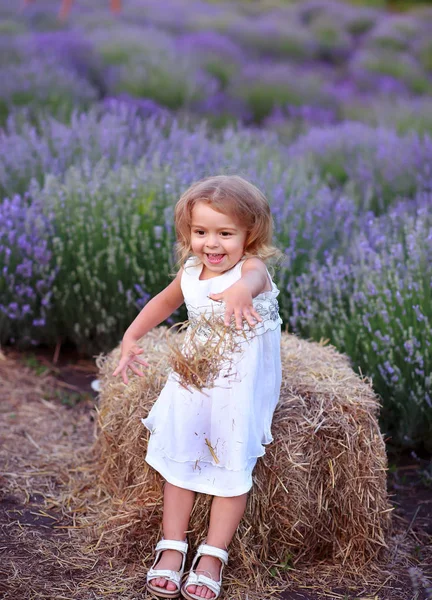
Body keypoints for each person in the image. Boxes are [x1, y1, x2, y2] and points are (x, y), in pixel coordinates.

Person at [112, 175, 282, 600]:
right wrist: (131, 337)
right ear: (187, 234)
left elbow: (256, 279)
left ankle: (212, 554)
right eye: (201, 231)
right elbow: (165, 302)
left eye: (226, 233)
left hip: (238, 384)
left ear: (250, 234)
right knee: (182, 453)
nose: (212, 243)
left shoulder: (250, 269)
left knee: (231, 463)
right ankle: (172, 545)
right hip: (195, 376)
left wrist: (242, 289)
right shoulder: (191, 270)